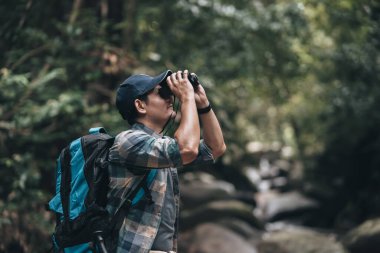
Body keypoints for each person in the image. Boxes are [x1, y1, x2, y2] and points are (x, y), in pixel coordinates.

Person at [106, 69, 226, 253]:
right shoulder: (128, 142)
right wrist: (186, 98)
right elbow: (187, 149)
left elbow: (216, 148)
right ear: (140, 105)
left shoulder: (162, 146)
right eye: (161, 93)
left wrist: (203, 104)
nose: (170, 98)